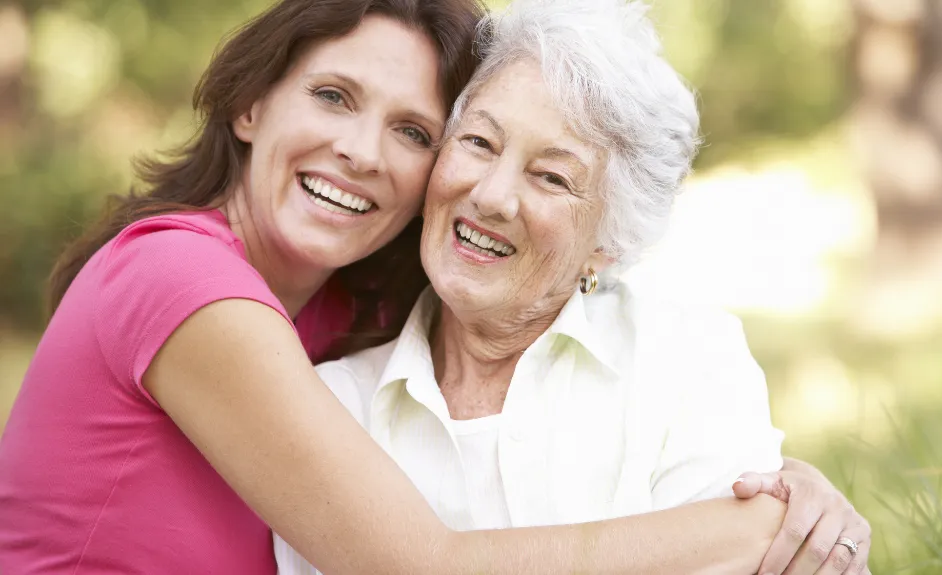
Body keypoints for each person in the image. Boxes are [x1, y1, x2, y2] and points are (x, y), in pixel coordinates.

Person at [0, 0, 867, 573]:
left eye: (413, 130)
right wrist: (754, 526)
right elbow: (420, 566)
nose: (361, 151)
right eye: (333, 96)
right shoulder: (181, 280)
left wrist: (794, 484)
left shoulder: (344, 314)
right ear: (250, 104)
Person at [274, 0, 871, 574]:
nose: (491, 196)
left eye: (552, 177)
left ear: (608, 242)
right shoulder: (337, 404)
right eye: (479, 142)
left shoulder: (687, 361)